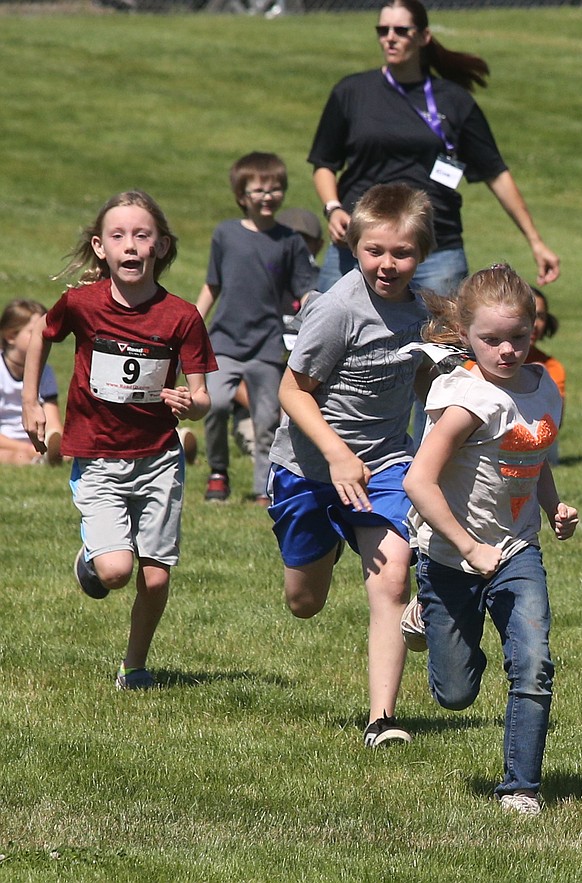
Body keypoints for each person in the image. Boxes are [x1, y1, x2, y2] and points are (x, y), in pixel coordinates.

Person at [22, 190, 216, 690]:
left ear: (161, 246)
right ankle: (92, 557)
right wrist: (30, 403)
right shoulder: (81, 304)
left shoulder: (181, 316)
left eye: (142, 235)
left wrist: (187, 403)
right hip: (99, 455)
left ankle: (133, 666)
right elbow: (40, 337)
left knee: (155, 576)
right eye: (118, 236)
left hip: (159, 458)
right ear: (100, 247)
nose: (130, 246)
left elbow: (202, 397)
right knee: (115, 572)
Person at [403, 263, 577, 816]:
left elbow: (534, 452)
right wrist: (469, 547)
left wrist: (553, 507)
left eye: (519, 338)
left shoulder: (544, 385)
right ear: (465, 333)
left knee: (533, 664)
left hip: (516, 551)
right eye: (491, 340)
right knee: (455, 694)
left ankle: (521, 786)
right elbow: (418, 482)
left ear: (535, 328)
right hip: (451, 554)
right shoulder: (465, 398)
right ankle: (427, 615)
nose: (507, 351)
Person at [267, 183, 437, 748]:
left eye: (402, 253)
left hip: (386, 462)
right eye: (375, 252)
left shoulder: (421, 308)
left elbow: (417, 373)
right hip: (309, 469)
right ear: (356, 247)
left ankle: (382, 720)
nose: (388, 265)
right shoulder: (338, 308)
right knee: (304, 602)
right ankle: (332, 538)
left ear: (423, 252)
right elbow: (292, 391)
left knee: (393, 575)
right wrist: (337, 454)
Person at [309, 0, 559, 297]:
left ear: (424, 36)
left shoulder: (454, 101)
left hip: (435, 249)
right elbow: (324, 162)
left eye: (401, 30)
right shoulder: (351, 92)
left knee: (438, 340)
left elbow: (496, 173)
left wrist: (536, 241)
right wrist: (333, 208)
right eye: (383, 29)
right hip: (363, 245)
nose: (390, 37)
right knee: (331, 334)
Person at [196, 152, 317, 505]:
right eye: (260, 189)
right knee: (215, 404)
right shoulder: (226, 234)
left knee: (266, 421)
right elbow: (212, 286)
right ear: (241, 195)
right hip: (224, 342)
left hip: (266, 346)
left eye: (276, 189)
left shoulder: (290, 241)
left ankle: (265, 487)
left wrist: (317, 312)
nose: (268, 196)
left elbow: (305, 290)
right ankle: (218, 472)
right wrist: (190, 326)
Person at [1, 299, 62, 465]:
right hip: (5, 441)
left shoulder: (46, 371)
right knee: (11, 456)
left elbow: (52, 419)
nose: (43, 337)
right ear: (11, 336)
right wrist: (23, 448)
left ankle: (42, 458)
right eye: (34, 332)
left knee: (71, 453)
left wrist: (54, 439)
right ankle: (35, 460)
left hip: (35, 440)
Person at [526, 287, 565, 465]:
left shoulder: (551, 367)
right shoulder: (478, 363)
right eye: (529, 314)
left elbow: (556, 420)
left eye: (540, 317)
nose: (535, 323)